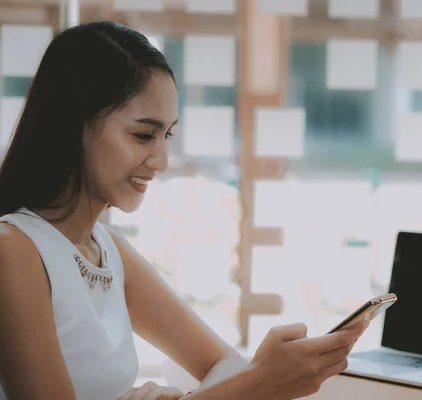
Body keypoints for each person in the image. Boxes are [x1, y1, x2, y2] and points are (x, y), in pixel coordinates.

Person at [0, 21, 369, 400]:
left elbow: (222, 364)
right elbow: (237, 379)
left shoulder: (107, 249)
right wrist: (259, 382)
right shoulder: (14, 249)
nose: (161, 160)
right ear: (73, 125)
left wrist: (248, 381)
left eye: (167, 136)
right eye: (144, 135)